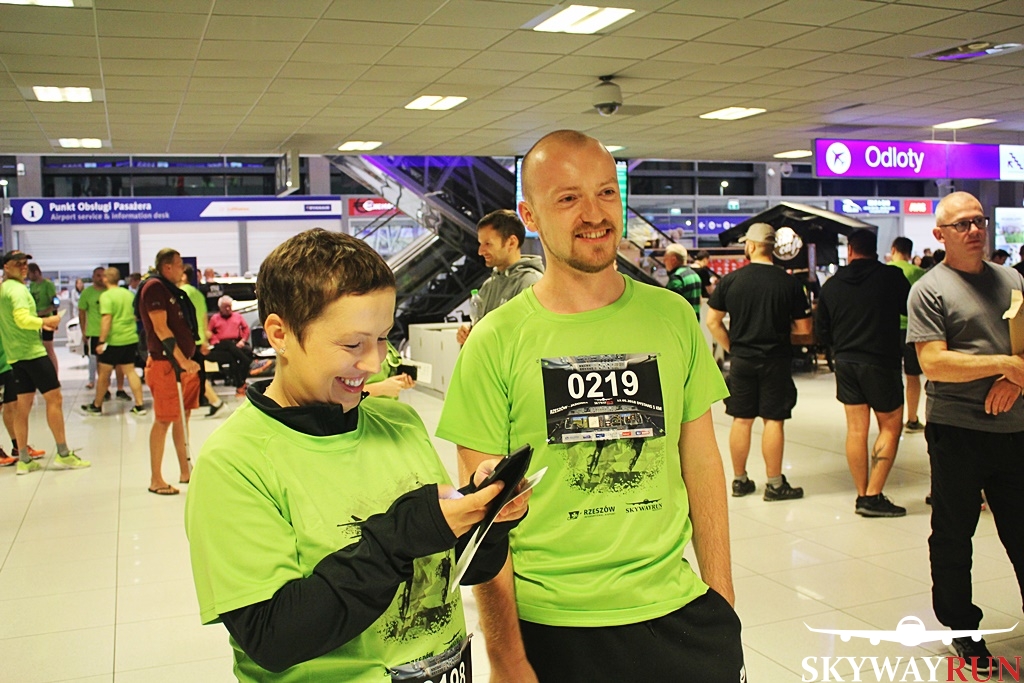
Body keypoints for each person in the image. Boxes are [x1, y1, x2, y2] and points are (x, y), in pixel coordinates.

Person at [437, 130, 743, 682]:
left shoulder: (672, 316)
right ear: (530, 215)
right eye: (568, 198)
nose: (595, 214)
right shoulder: (495, 341)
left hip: (681, 614)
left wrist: (721, 597)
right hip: (553, 626)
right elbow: (484, 518)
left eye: (606, 193)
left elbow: (700, 461)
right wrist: (506, 656)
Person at [185, 228, 528, 680]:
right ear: (280, 334)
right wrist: (403, 534)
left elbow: (454, 569)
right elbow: (273, 637)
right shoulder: (234, 463)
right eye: (352, 344)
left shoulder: (399, 423)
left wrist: (483, 517)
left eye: (383, 338)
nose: (374, 363)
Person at [907, 191, 1024, 674]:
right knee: (954, 534)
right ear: (941, 234)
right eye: (962, 224)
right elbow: (933, 362)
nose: (975, 230)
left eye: (979, 221)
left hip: (1013, 427)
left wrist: (1014, 379)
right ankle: (962, 628)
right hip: (957, 431)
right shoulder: (929, 290)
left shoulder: (1012, 279)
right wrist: (1004, 364)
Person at [706, 223, 812, 501]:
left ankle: (740, 481)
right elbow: (804, 329)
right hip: (776, 360)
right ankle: (775, 484)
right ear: (772, 248)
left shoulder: (731, 281)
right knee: (773, 420)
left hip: (742, 360)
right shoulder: (789, 282)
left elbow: (713, 321)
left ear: (751, 246)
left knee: (741, 419)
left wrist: (733, 347)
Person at [816, 229, 909, 517]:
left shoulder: (832, 284)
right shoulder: (891, 277)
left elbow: (821, 331)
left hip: (846, 362)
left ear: (850, 250)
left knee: (856, 430)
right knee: (890, 426)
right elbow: (911, 310)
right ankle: (873, 494)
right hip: (881, 361)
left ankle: (861, 493)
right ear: (875, 249)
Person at [0, 250, 89, 475]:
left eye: (25, 263)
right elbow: (22, 319)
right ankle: (63, 454)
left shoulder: (4, 289)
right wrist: (46, 321)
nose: (23, 267)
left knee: (22, 406)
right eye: (18, 263)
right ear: (6, 267)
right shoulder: (18, 290)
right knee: (54, 399)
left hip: (15, 356)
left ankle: (24, 459)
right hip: (32, 354)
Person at [138, 249, 201, 495]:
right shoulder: (154, 288)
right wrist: (182, 360)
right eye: (179, 265)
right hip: (166, 365)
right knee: (164, 419)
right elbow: (161, 329)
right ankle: (156, 479)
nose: (182, 269)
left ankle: (186, 470)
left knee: (182, 417)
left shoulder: (171, 290)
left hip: (181, 365)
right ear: (167, 267)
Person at [456, 209, 544, 345]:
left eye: (488, 244)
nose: (480, 251)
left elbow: (531, 340)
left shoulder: (531, 283)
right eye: (480, 244)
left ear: (511, 243)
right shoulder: (489, 285)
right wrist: (469, 332)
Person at [80, 267, 147, 416]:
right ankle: (140, 404)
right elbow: (136, 314)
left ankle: (97, 405)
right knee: (130, 371)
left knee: (104, 373)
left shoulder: (106, 296)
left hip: (113, 340)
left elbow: (106, 319)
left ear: (105, 278)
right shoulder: (128, 294)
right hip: (130, 338)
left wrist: (101, 341)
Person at [889, 237, 928, 433]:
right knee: (913, 376)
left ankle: (892, 419)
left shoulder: (885, 271)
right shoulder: (919, 273)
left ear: (893, 250)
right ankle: (912, 419)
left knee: (893, 375)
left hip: (889, 330)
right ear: (910, 252)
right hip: (913, 331)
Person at [180, 264, 225, 418]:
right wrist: (205, 339)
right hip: (198, 339)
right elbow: (204, 317)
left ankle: (214, 401)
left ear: (184, 276)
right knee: (196, 372)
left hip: (188, 339)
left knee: (192, 373)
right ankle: (214, 401)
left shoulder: (182, 293)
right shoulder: (198, 294)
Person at [207, 295, 271, 396]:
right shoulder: (215, 318)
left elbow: (246, 329)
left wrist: (243, 340)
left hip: (236, 343)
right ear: (220, 308)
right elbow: (209, 332)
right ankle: (251, 364)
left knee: (245, 352)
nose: (227, 309)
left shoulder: (237, 316)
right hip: (221, 344)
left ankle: (241, 384)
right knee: (229, 345)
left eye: (229, 306)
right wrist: (215, 341)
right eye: (225, 307)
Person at [26, 262, 59, 375]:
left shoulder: (48, 284)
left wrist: (45, 313)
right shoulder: (32, 285)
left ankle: (54, 374)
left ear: (36, 272)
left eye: (29, 274)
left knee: (48, 348)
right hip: (36, 319)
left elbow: (55, 304)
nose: (28, 277)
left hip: (47, 318)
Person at [663, 243, 701, 320]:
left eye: (666, 259)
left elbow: (672, 306)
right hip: (694, 321)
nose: (664, 262)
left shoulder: (676, 277)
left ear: (673, 260)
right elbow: (700, 301)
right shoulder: (694, 274)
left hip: (681, 322)